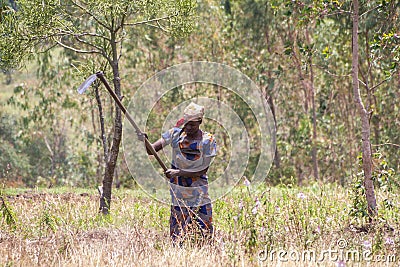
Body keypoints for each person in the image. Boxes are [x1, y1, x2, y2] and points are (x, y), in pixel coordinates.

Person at [138, 102, 217, 242]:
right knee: (178, 231)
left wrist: (178, 172)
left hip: (199, 191)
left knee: (204, 230)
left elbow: (202, 169)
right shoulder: (175, 134)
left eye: (192, 125)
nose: (188, 127)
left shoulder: (207, 140)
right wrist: (145, 140)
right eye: (186, 124)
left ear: (200, 122)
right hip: (178, 191)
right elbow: (151, 151)